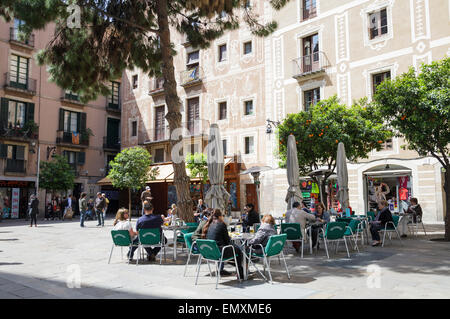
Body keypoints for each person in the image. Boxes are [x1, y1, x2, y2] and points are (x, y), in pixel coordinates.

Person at [202, 209, 244, 278]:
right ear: (220, 216)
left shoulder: (210, 224)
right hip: (220, 252)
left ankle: (239, 271)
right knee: (238, 250)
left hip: (211, 252)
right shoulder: (222, 224)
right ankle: (241, 274)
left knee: (235, 250)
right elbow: (227, 241)